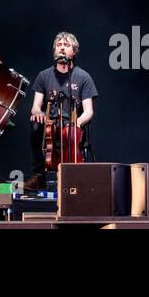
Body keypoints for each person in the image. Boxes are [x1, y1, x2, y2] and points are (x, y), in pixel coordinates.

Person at [27, 32, 98, 189]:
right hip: (50, 123)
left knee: (72, 132)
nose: (62, 49)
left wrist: (77, 122)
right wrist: (37, 112)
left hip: (71, 123)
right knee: (35, 125)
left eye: (66, 45)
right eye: (59, 45)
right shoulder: (43, 76)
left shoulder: (83, 77)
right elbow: (35, 106)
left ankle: (74, 177)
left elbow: (89, 111)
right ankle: (38, 176)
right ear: (54, 51)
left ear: (74, 51)